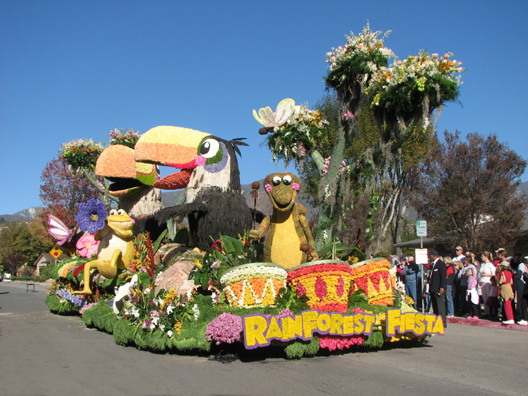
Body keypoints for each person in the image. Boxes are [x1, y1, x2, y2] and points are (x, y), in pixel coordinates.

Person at [428, 250, 447, 327]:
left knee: (440, 306)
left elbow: (443, 277)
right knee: (435, 306)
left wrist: (442, 287)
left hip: (438, 288)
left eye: (429, 256)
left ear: (433, 256)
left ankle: (442, 322)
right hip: (433, 288)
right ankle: (436, 321)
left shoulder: (441, 264)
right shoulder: (433, 265)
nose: (428, 258)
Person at [496, 255, 515, 325]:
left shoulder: (503, 273)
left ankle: (509, 318)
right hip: (509, 287)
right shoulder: (510, 273)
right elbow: (511, 282)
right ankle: (511, 317)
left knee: (506, 303)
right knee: (509, 303)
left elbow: (501, 281)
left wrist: (498, 281)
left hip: (504, 287)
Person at [479, 251, 496, 318]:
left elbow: (493, 274)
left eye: (482, 256)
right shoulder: (483, 265)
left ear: (486, 256)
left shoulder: (490, 265)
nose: (481, 257)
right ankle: (486, 312)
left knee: (489, 297)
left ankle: (491, 313)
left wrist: (486, 275)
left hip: (488, 282)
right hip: (482, 281)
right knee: (484, 297)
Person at [513, 256, 527, 325]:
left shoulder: (521, 265)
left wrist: (513, 275)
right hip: (520, 284)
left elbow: (519, 275)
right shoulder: (521, 265)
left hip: (521, 284)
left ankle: (521, 317)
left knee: (520, 301)